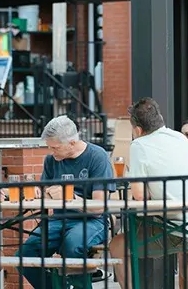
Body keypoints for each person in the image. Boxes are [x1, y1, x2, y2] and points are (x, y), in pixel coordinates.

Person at [110, 98, 188, 289]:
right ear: (159, 119)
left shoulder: (139, 145)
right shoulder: (179, 137)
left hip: (184, 229)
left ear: (137, 130)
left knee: (117, 245)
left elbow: (138, 195)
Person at [17, 115, 115, 289]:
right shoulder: (51, 160)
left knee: (73, 245)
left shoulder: (97, 156)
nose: (51, 151)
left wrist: (69, 197)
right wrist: (41, 193)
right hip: (58, 220)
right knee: (24, 255)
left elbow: (99, 207)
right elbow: (46, 194)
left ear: (71, 143)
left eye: (55, 147)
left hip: (91, 220)